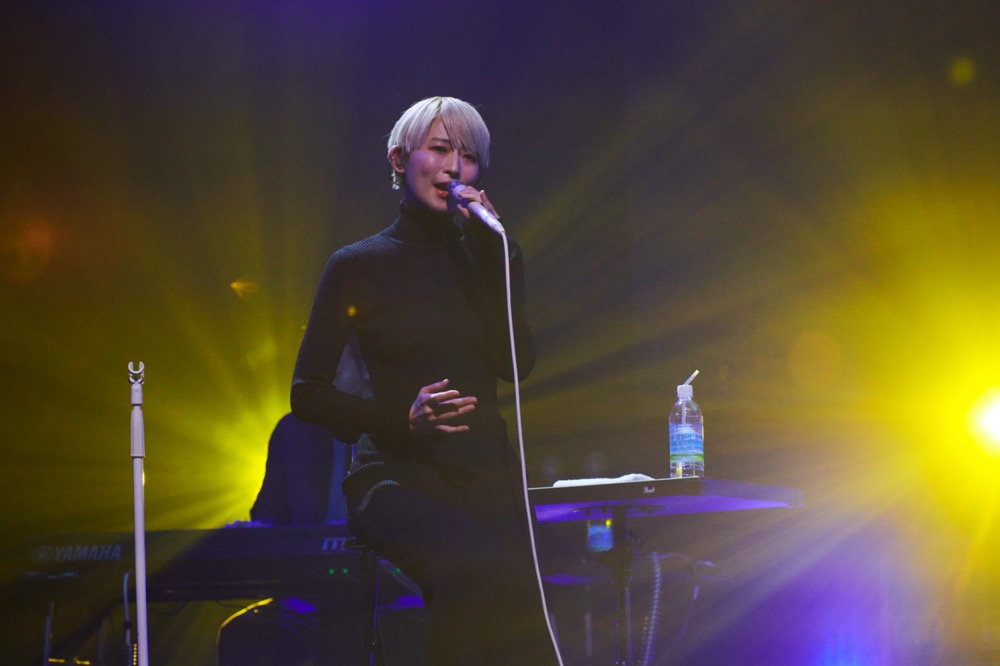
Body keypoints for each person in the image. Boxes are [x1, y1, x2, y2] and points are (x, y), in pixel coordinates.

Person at [291, 96, 560, 664]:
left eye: (469, 156)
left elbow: (515, 366)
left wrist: (498, 257)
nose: (454, 167)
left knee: (522, 615)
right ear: (398, 159)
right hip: (395, 474)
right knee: (464, 570)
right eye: (439, 149)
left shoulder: (489, 256)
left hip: (484, 476)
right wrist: (402, 420)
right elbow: (307, 393)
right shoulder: (358, 264)